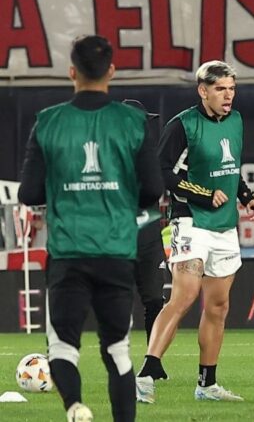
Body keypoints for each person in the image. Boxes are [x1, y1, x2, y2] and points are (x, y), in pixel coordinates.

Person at [18, 35, 163, 422]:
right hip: (116, 251)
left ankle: (75, 406)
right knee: (117, 350)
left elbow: (29, 192)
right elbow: (152, 190)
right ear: (111, 71)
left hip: (67, 253)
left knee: (63, 348)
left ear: (72, 72)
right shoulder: (133, 121)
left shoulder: (48, 122)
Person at [135, 60, 254, 403]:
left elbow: (231, 167)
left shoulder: (236, 121)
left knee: (219, 306)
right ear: (202, 90)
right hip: (190, 219)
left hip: (225, 226)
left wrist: (247, 196)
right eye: (220, 89)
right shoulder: (183, 125)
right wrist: (203, 194)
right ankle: (146, 374)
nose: (228, 95)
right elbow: (162, 173)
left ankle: (207, 385)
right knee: (185, 296)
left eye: (232, 88)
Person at [122, 99, 167, 345]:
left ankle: (153, 360)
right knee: (117, 301)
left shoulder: (151, 154)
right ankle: (117, 361)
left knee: (155, 300)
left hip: (149, 237)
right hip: (119, 238)